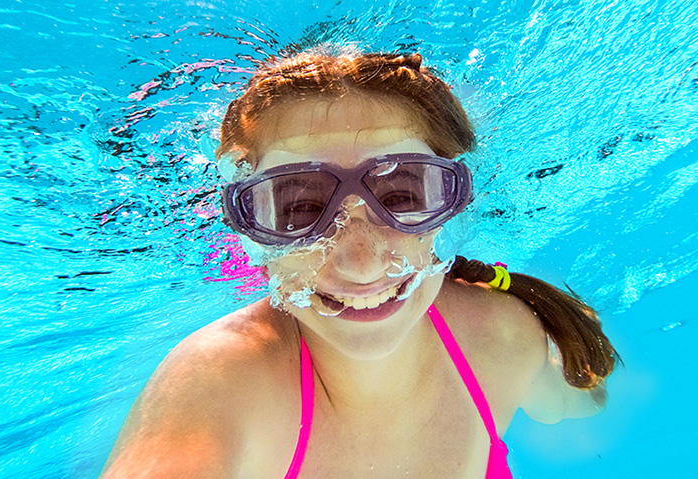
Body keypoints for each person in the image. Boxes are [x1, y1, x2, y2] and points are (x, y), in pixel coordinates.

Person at [99, 47, 618, 479]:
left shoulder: (502, 339)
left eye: (403, 197)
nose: (362, 263)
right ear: (247, 225)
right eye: (301, 208)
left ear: (453, 206)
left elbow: (571, 403)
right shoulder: (221, 383)